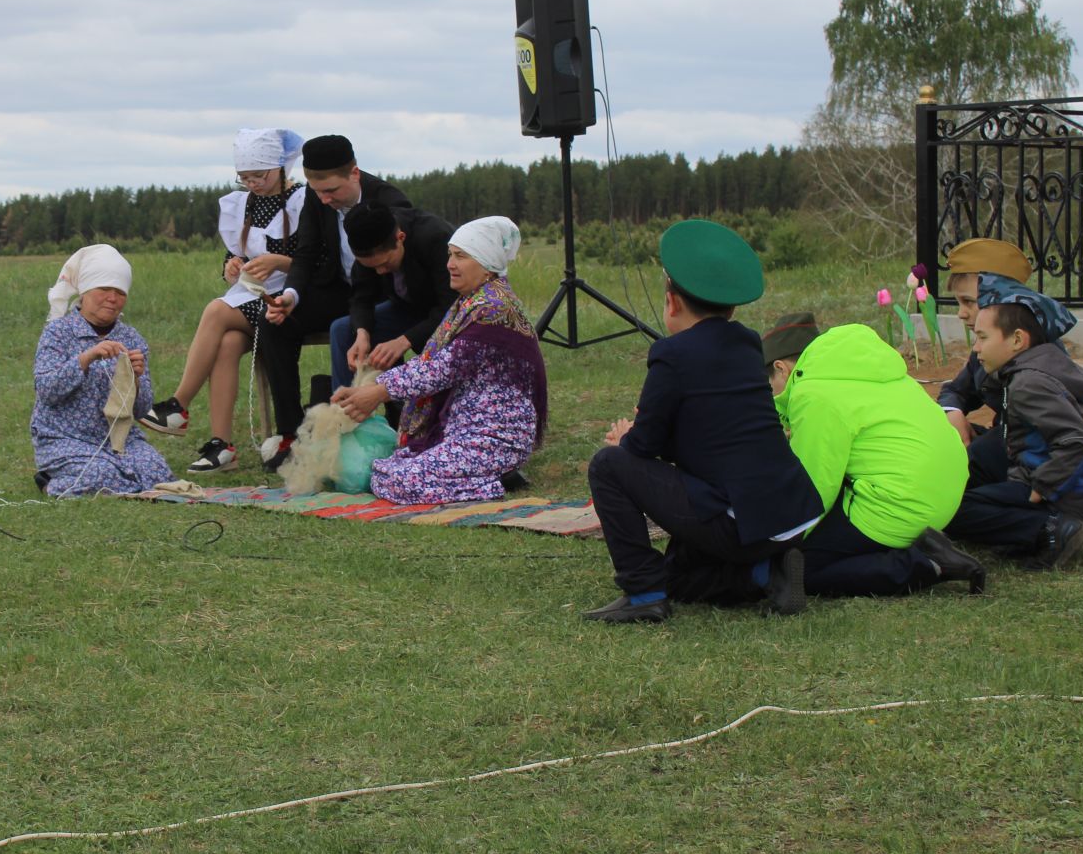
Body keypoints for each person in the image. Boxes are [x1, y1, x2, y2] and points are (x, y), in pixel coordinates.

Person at [583, 219, 824, 623]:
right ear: (731, 307)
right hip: (790, 516)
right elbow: (714, 430)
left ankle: (643, 594)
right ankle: (766, 572)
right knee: (680, 577)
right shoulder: (748, 344)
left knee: (608, 466)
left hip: (740, 521)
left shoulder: (671, 354)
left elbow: (644, 448)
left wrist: (625, 439)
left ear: (671, 303)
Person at [762, 313, 984, 596]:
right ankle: (922, 546)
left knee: (801, 569)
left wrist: (780, 541)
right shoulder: (863, 368)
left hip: (900, 504)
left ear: (781, 369)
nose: (774, 396)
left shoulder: (813, 393)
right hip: (947, 489)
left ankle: (926, 564)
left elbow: (816, 486)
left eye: (771, 388)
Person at [331, 217, 546, 504]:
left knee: (398, 481)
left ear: (486, 263)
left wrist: (377, 391)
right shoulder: (471, 302)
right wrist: (367, 390)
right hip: (465, 429)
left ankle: (494, 484)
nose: (450, 264)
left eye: (461, 256)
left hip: (495, 436)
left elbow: (440, 370)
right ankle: (491, 476)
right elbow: (432, 363)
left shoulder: (493, 309)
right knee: (386, 468)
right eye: (450, 255)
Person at [139, 128, 309, 473]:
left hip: (292, 297)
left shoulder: (303, 201)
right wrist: (231, 266)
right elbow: (233, 254)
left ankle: (178, 405)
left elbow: (317, 263)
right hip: (249, 294)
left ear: (280, 167)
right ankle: (221, 445)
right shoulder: (241, 205)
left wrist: (279, 262)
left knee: (216, 310)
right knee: (228, 344)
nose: (252, 183)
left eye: (258, 175)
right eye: (244, 177)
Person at [256, 135, 410, 468]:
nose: (324, 200)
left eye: (332, 192)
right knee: (275, 323)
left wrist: (365, 321)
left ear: (354, 174)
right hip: (340, 289)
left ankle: (398, 427)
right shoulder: (317, 197)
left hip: (383, 296)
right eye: (317, 191)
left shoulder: (390, 201)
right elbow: (306, 252)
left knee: (357, 327)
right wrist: (291, 296)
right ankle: (291, 434)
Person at [945, 283, 1083, 568]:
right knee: (964, 484)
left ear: (1017, 340)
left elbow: (1077, 440)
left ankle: (1051, 529)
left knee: (951, 511)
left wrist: (1043, 487)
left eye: (983, 338)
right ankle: (1030, 529)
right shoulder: (1024, 371)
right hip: (1052, 481)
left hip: (1071, 497)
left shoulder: (1028, 383)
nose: (976, 348)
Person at [31, 245, 175, 498]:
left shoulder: (132, 338)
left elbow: (141, 410)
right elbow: (47, 390)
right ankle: (49, 483)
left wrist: (138, 380)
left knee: (157, 473)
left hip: (120, 438)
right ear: (84, 293)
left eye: (120, 292)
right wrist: (86, 358)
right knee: (99, 474)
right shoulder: (58, 332)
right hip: (65, 438)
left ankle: (111, 475)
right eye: (104, 289)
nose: (113, 298)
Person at [328, 199, 456, 392]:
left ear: (400, 237)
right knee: (342, 330)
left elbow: (452, 307)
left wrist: (404, 341)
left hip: (446, 314)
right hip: (406, 308)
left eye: (385, 264)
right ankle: (345, 414)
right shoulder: (368, 247)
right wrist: (362, 333)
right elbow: (361, 297)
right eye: (372, 267)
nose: (380, 272)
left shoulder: (435, 237)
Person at [937, 238, 1034, 486]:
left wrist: (973, 453)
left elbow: (1026, 433)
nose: (961, 313)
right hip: (1003, 444)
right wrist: (952, 414)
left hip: (1026, 460)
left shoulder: (1033, 351)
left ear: (1001, 297)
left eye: (968, 301)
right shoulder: (986, 348)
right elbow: (957, 390)